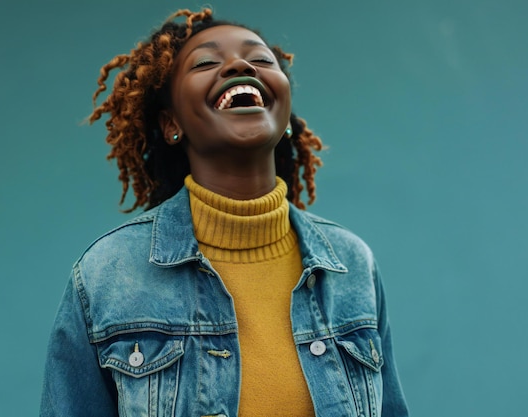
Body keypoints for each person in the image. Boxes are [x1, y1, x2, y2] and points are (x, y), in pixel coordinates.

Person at [40, 8, 409, 417]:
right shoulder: (106, 274)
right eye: (206, 62)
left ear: (285, 113)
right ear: (170, 123)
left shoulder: (351, 265)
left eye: (262, 60)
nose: (239, 65)